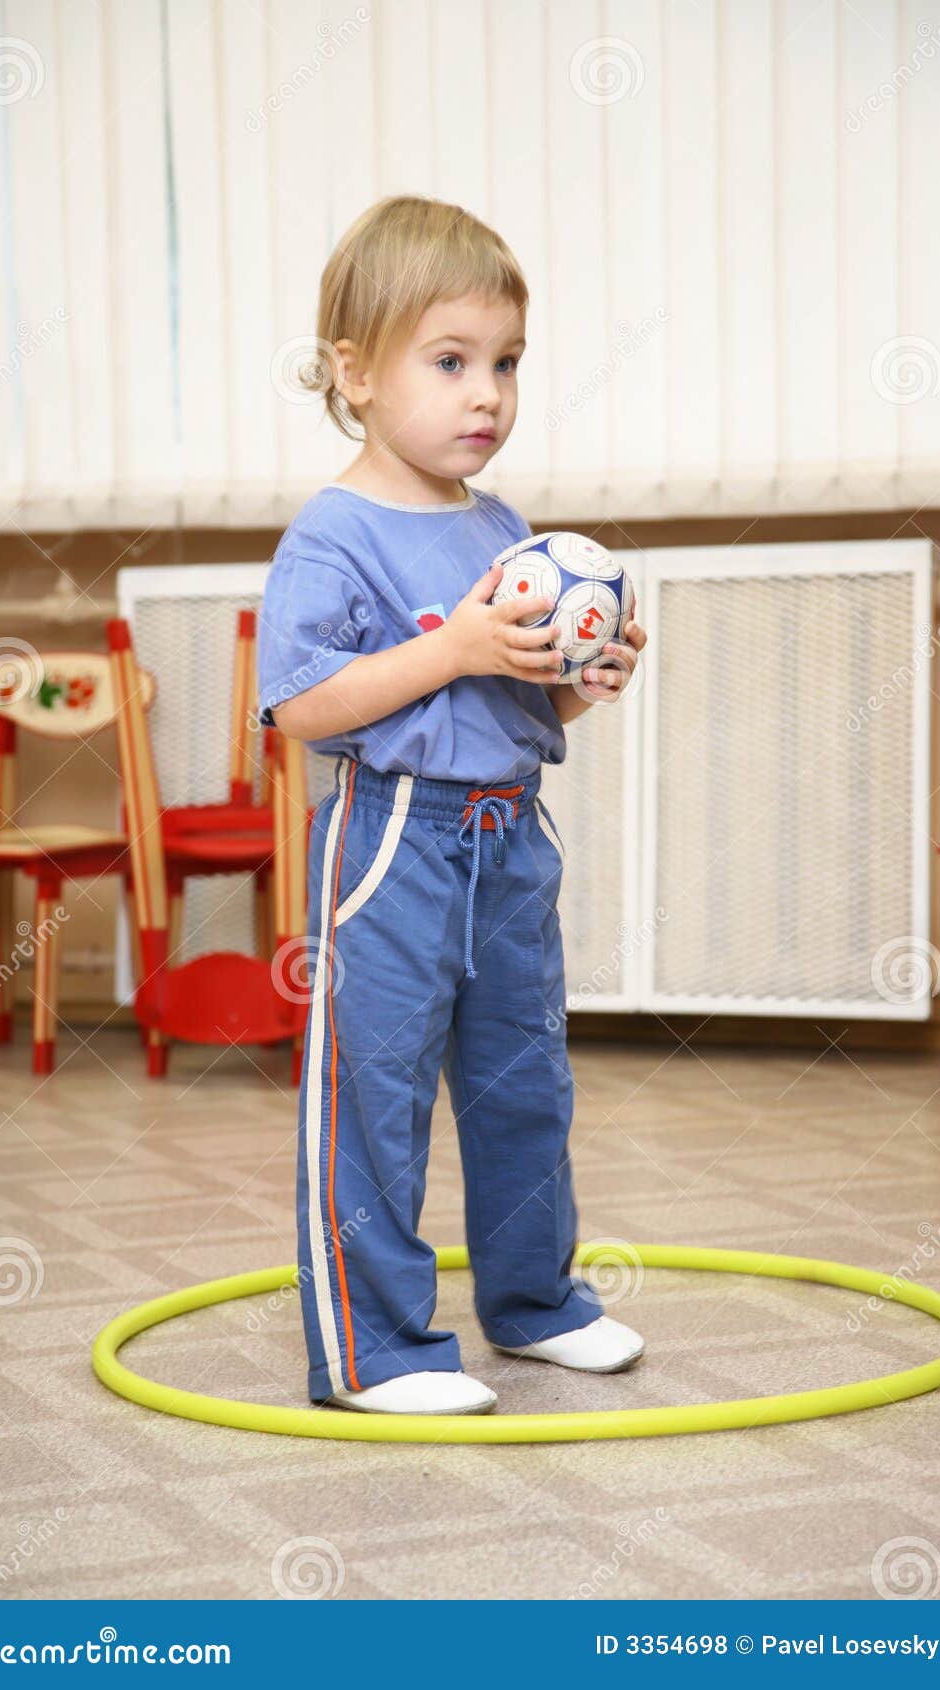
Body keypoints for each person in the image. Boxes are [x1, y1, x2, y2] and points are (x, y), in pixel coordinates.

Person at [257, 194, 647, 1415]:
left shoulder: (506, 529)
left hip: (507, 836)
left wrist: (586, 684)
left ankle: (534, 1305)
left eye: (506, 363)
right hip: (391, 840)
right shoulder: (333, 534)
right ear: (355, 372)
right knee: (373, 1099)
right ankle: (374, 1350)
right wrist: (458, 646)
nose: (487, 392)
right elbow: (304, 704)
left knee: (523, 1082)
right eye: (450, 361)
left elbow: (510, 711)